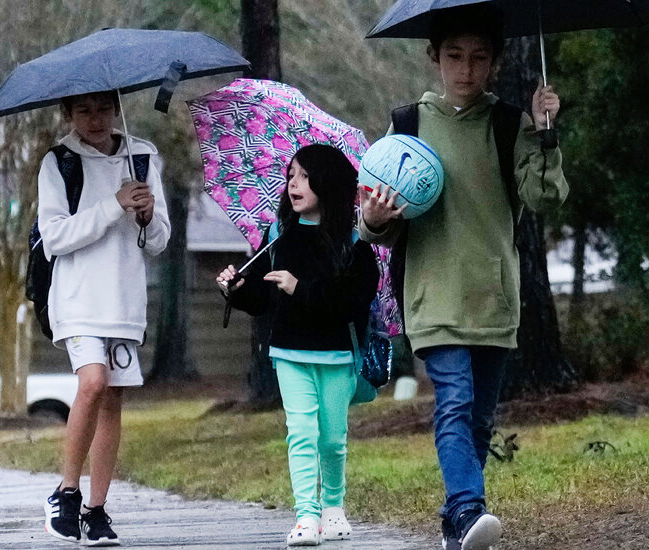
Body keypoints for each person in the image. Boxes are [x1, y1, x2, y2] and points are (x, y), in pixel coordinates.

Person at [358, 5, 569, 550]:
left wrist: (546, 134)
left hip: (493, 295)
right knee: (453, 401)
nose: (466, 69)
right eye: (454, 56)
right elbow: (376, 219)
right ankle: (471, 506)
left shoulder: (508, 125)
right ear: (434, 57)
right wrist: (374, 218)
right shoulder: (405, 125)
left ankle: (457, 521)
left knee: (477, 418)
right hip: (431, 293)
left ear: (495, 63)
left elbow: (543, 196)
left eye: (479, 58)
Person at [217, 144, 379, 547]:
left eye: (305, 176)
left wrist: (299, 287)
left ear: (329, 182)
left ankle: (333, 508)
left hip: (338, 353)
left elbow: (350, 301)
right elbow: (260, 298)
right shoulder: (278, 236)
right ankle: (306, 516)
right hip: (289, 352)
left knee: (332, 437)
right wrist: (235, 289)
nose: (294, 183)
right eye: (291, 175)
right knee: (301, 432)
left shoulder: (353, 244)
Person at [39, 90, 170, 546]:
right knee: (92, 382)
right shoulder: (59, 163)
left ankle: (96, 511)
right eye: (82, 110)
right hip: (77, 301)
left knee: (112, 399)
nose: (94, 119)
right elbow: (54, 237)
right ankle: (66, 493)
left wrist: (148, 215)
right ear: (68, 113)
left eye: (101, 109)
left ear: (116, 109)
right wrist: (114, 205)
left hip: (123, 302)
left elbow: (158, 241)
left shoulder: (143, 157)